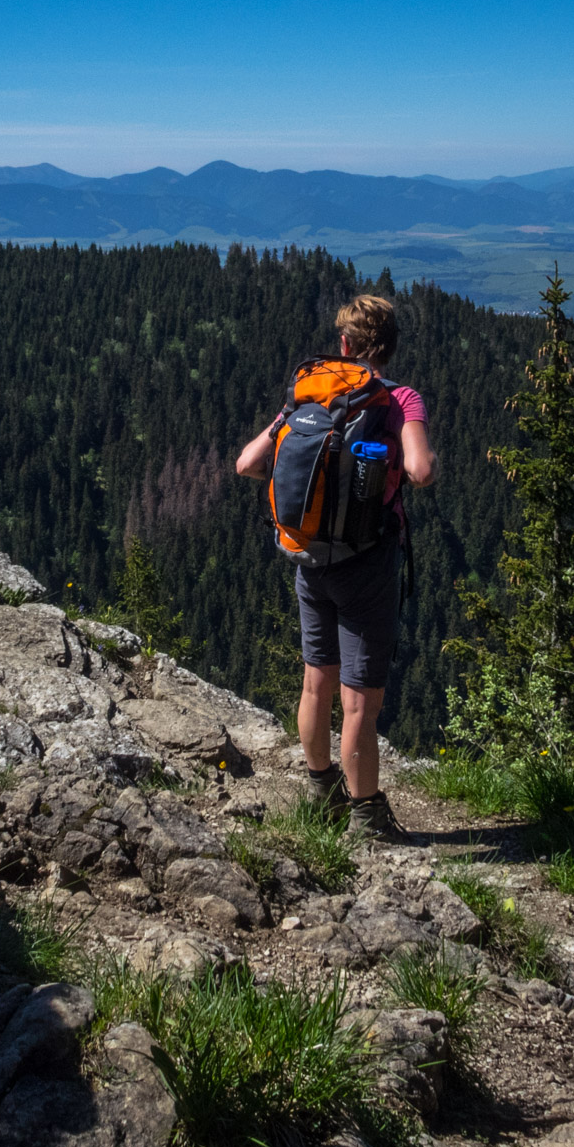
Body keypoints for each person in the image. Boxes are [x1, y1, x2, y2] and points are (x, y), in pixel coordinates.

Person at [234, 294, 435, 842]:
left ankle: (321, 791)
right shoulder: (399, 399)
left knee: (315, 683)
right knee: (359, 702)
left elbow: (248, 463)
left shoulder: (310, 393)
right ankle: (367, 820)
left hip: (307, 558)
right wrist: (418, 464)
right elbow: (418, 471)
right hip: (367, 563)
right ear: (389, 347)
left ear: (343, 345)